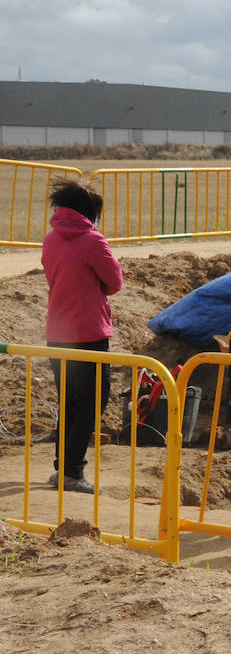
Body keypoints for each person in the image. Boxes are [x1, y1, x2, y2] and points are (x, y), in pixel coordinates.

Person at [42, 179, 123, 494]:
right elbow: (114, 281)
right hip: (89, 334)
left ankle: (63, 468)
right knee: (91, 402)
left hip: (58, 333)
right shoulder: (93, 240)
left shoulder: (51, 240)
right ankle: (72, 471)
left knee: (71, 403)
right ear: (90, 213)